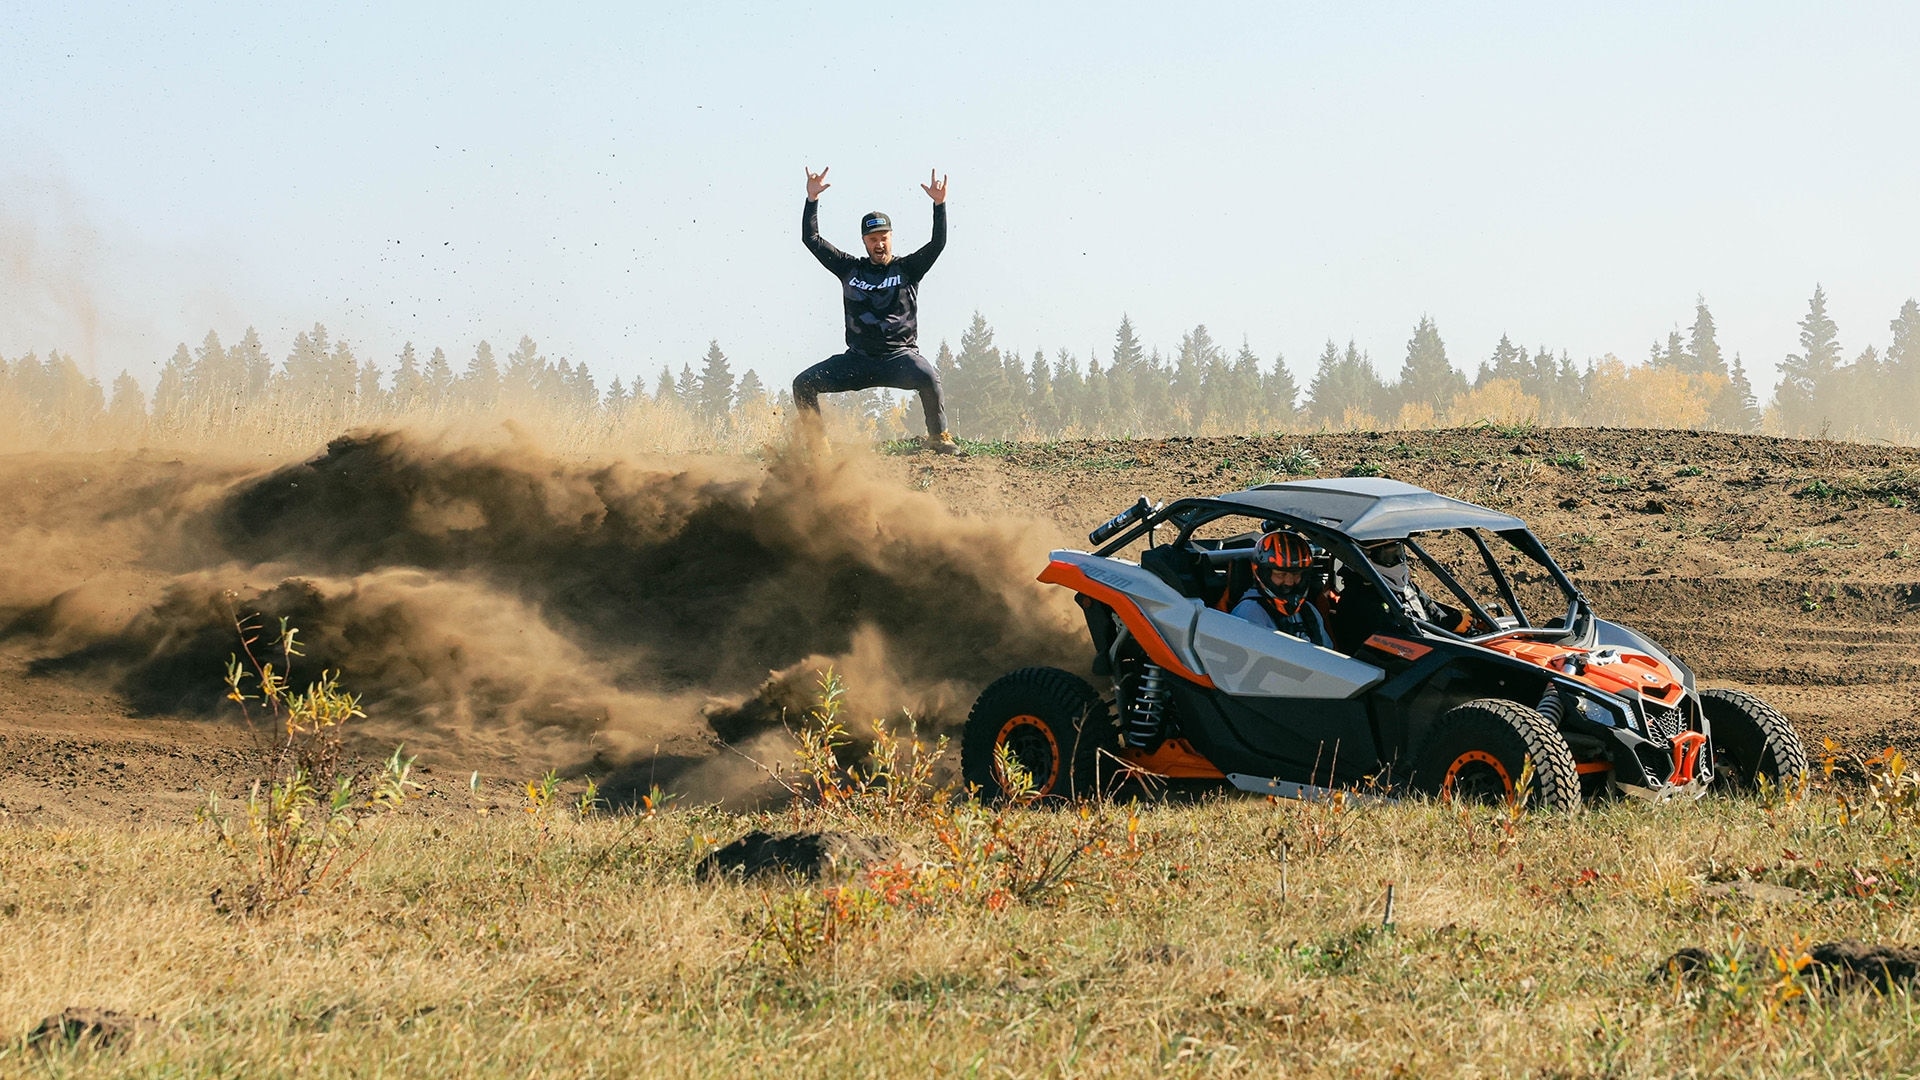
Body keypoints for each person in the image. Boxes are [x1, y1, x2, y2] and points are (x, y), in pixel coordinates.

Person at [795, 166, 960, 455]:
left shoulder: (908, 269)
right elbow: (812, 241)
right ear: (865, 241)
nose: (879, 244)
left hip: (900, 358)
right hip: (858, 361)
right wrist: (812, 200)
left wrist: (939, 205)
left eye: (884, 237)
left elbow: (938, 244)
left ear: (891, 238)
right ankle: (818, 447)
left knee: (929, 377)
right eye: (873, 239)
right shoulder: (849, 268)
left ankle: (939, 437)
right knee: (803, 384)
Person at [1329, 539, 1473, 652]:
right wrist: (1448, 626)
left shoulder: (1406, 588)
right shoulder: (1357, 600)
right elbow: (1392, 644)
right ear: (1364, 558)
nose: (1398, 560)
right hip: (1387, 676)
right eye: (1389, 555)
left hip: (1426, 658)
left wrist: (1459, 624)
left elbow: (1434, 614)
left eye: (1398, 553)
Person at [1230, 530, 1333, 648]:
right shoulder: (1250, 613)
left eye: (1296, 574)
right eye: (1281, 574)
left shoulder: (1310, 611)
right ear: (1263, 573)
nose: (1289, 582)